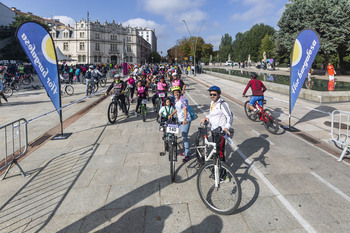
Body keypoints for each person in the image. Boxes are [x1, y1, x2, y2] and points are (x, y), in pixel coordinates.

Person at [201, 86, 233, 163]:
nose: (212, 96)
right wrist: (206, 117)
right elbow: (212, 115)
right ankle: (216, 169)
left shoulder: (222, 104)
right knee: (216, 150)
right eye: (211, 94)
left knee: (220, 152)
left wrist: (226, 128)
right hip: (213, 130)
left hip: (220, 132)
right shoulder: (212, 103)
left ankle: (223, 173)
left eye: (214, 94)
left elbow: (230, 116)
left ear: (219, 94)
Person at [167, 86, 191, 162]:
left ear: (180, 92)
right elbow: (177, 109)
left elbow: (185, 109)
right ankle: (185, 151)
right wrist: (171, 114)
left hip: (185, 120)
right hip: (180, 120)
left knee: (184, 137)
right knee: (183, 135)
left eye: (177, 92)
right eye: (174, 93)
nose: (176, 94)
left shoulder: (183, 99)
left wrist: (185, 119)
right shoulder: (176, 100)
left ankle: (187, 154)